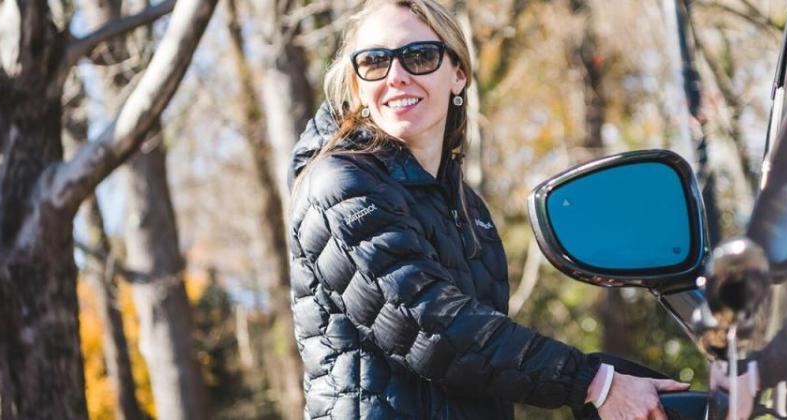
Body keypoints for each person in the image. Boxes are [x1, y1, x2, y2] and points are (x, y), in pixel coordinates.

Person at [285, 1, 688, 419]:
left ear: (458, 74)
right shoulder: (337, 185)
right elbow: (428, 326)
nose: (397, 76)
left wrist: (627, 382)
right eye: (374, 62)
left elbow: (487, 360)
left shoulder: (467, 207)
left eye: (419, 56)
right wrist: (594, 382)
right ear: (356, 85)